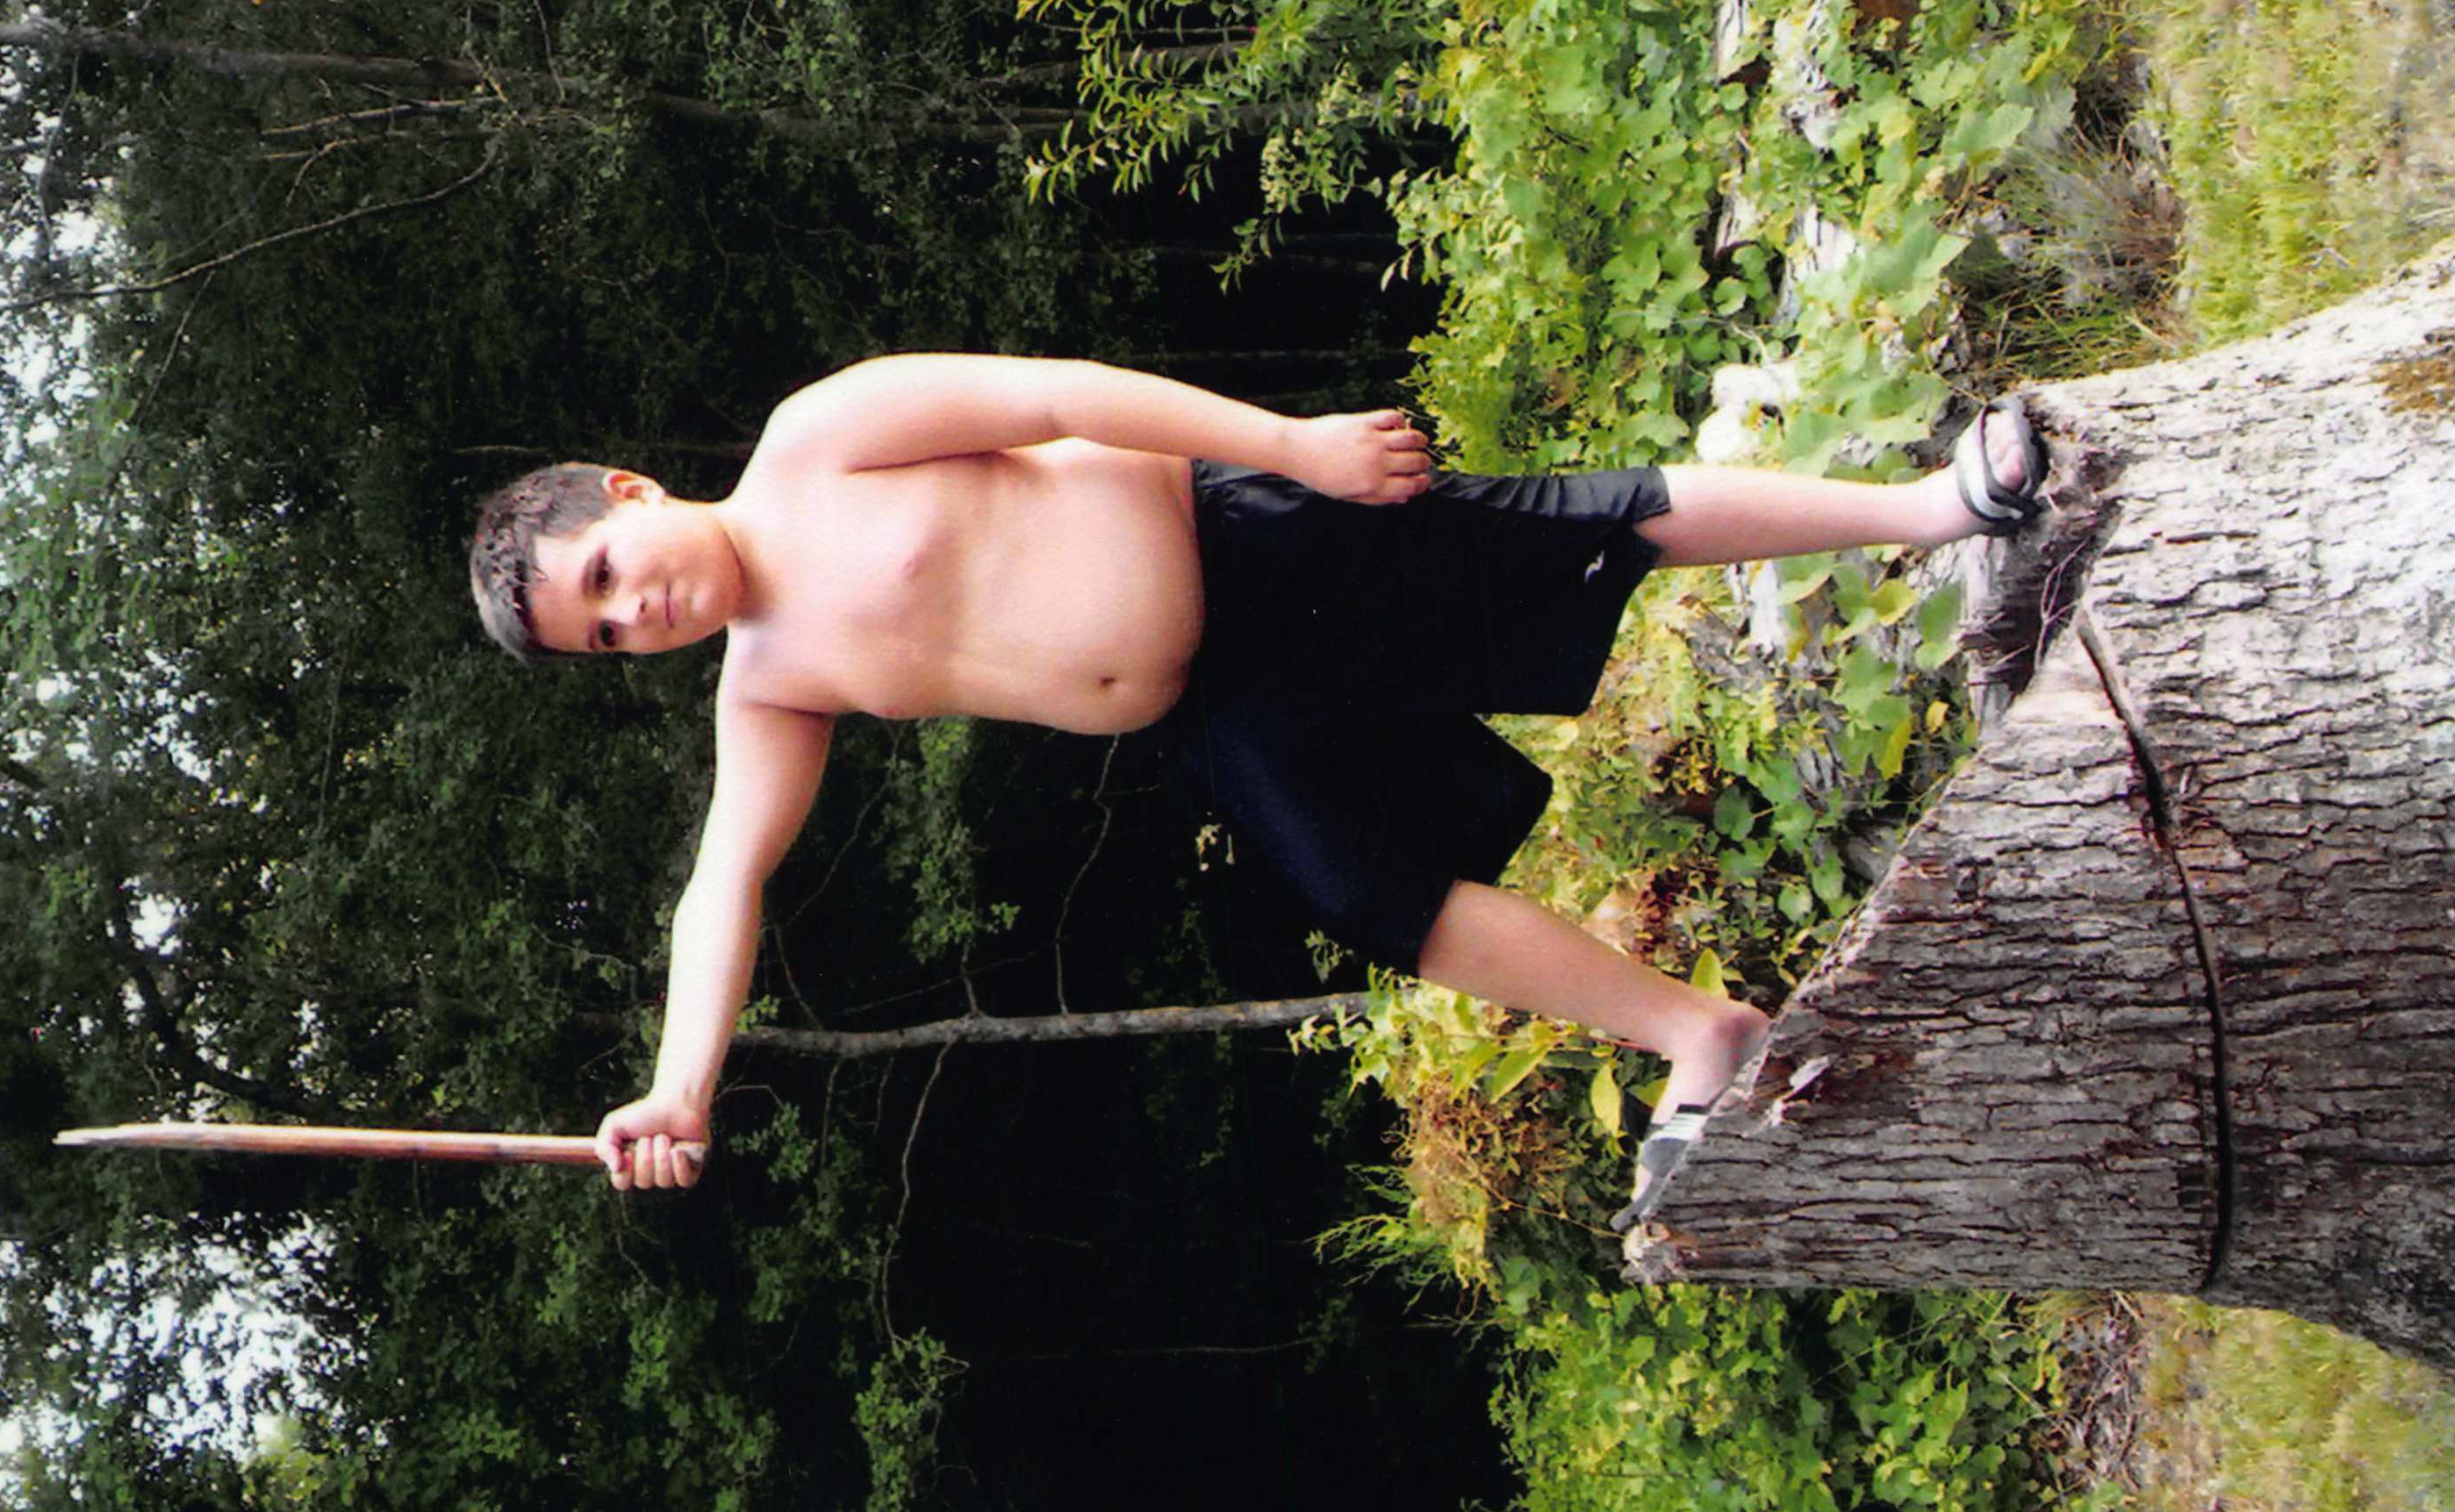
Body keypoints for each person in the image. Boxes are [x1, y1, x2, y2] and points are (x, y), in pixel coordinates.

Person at [467, 355, 2044, 1223]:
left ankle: (1932, 507)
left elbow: (1054, 397)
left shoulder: (812, 436)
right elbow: (724, 883)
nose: (635, 612)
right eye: (606, 636)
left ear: (630, 489)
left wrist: (1292, 443)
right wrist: (680, 1088)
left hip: (1251, 532)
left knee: (1574, 527)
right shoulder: (768, 687)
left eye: (607, 574)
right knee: (1374, 897)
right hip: (1219, 707)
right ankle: (1705, 1034)